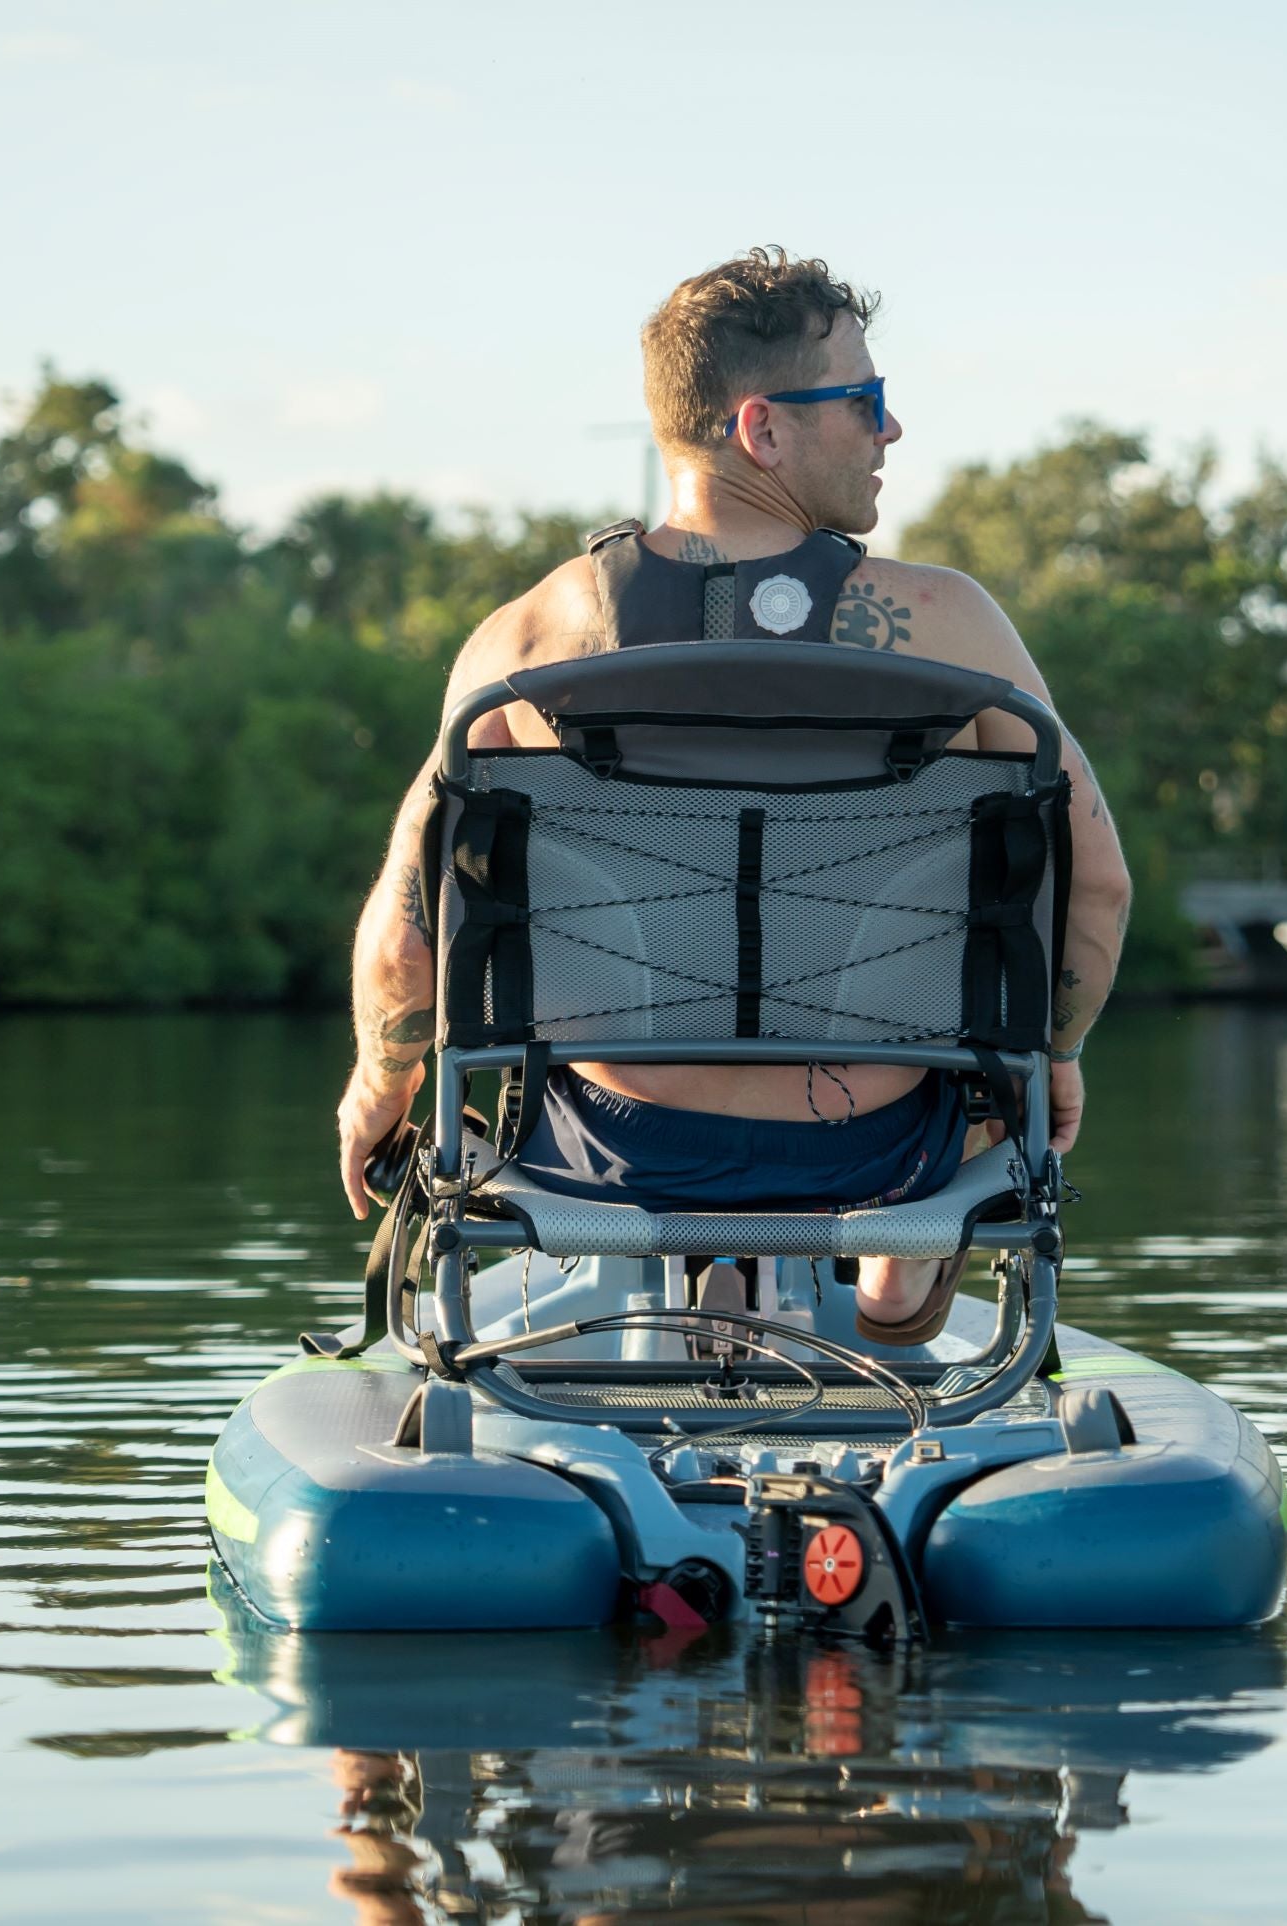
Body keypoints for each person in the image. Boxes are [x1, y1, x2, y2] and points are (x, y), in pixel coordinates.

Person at [331, 249, 1134, 1346]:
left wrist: (382, 1079)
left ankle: (681, 1292)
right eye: (866, 401)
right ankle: (901, 1262)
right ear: (762, 429)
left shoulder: (523, 643)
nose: (889, 430)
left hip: (605, 1150)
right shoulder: (950, 631)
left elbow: (404, 952)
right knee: (990, 1059)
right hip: (882, 1145)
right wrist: (1058, 1061)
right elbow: (1097, 888)